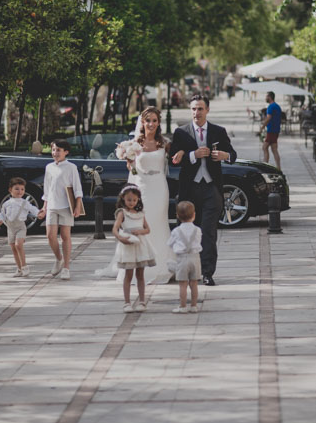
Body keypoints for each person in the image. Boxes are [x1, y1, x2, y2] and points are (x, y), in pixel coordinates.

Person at [96, 107, 177, 284]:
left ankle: (163, 265)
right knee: (140, 222)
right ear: (143, 122)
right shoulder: (133, 144)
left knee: (158, 223)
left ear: (159, 122)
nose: (151, 124)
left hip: (159, 187)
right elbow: (132, 170)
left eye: (155, 120)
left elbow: (175, 159)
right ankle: (139, 263)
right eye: (148, 120)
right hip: (141, 187)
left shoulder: (164, 143)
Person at [170, 95, 237, 286]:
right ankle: (190, 271)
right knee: (189, 232)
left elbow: (233, 155)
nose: (196, 113)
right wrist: (192, 155)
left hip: (211, 188)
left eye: (200, 109)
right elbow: (172, 159)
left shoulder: (218, 131)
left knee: (208, 232)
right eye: (193, 109)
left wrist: (225, 155)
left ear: (207, 110)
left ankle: (208, 272)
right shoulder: (181, 133)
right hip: (189, 189)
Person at [37, 139, 84, 280]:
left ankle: (66, 268)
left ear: (66, 152)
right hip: (51, 206)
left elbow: (77, 187)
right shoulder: (49, 167)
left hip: (66, 206)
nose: (55, 153)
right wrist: (44, 207)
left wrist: (78, 205)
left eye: (58, 150)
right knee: (50, 236)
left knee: (65, 237)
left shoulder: (71, 167)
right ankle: (59, 258)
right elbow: (46, 188)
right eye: (53, 150)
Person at [111, 185, 155, 312]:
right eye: (129, 200)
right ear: (123, 198)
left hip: (140, 245)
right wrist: (120, 238)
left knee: (140, 274)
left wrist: (140, 231)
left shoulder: (140, 214)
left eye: (134, 200)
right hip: (128, 245)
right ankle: (127, 302)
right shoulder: (122, 213)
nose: (132, 202)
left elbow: (148, 229)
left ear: (138, 200)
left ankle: (142, 301)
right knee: (128, 274)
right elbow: (115, 228)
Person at [0, 177, 42, 277]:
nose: (20, 191)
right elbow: (2, 214)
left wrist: (38, 213)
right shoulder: (6, 204)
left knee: (18, 245)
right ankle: (19, 268)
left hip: (21, 226)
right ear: (10, 190)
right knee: (13, 248)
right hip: (10, 228)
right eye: (17, 189)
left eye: (22, 189)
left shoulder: (25, 202)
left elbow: (32, 209)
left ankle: (25, 266)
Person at [168, 201, 202, 313]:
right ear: (194, 215)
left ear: (177, 216)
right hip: (195, 258)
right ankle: (194, 306)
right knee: (194, 283)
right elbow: (198, 242)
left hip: (182, 258)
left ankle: (182, 306)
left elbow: (170, 244)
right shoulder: (198, 230)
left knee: (183, 284)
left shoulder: (176, 231)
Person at [260, 91, 282, 169]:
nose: (265, 98)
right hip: (276, 130)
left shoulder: (271, 106)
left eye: (266, 96)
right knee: (274, 149)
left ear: (270, 97)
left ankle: (265, 166)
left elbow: (268, 118)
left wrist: (262, 127)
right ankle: (278, 168)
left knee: (264, 147)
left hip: (271, 130)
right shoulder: (277, 106)